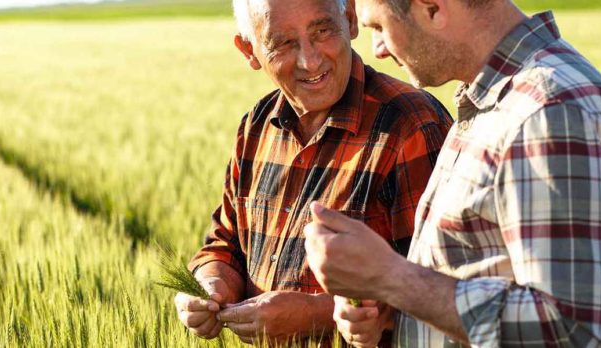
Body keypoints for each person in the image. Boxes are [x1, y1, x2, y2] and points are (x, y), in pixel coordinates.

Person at [303, 0, 601, 347]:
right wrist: (394, 308)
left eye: (378, 27)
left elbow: (570, 334)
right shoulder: (494, 104)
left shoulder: (551, 113)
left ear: (432, 9)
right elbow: (486, 276)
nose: (376, 49)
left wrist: (393, 278)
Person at [173, 0, 452, 344]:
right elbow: (225, 242)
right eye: (284, 44)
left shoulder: (411, 126)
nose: (310, 60)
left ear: (349, 19)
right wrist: (211, 285)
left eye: (322, 31)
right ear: (249, 50)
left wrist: (317, 315)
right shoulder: (255, 128)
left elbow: (445, 292)